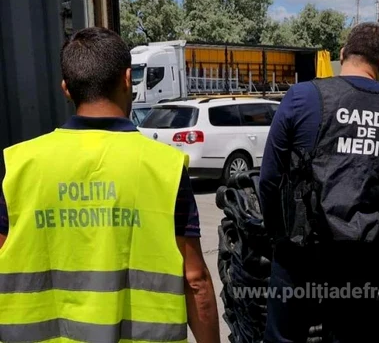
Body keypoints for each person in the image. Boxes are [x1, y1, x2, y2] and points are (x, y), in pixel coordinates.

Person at [0, 27, 220, 342]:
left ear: (66, 89)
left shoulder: (20, 164)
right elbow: (195, 280)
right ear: (128, 78)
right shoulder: (164, 167)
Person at [259, 22, 379, 343]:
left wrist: (279, 236)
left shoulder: (302, 97)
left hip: (301, 250)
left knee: (284, 337)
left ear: (342, 54)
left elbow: (270, 179)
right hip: (367, 256)